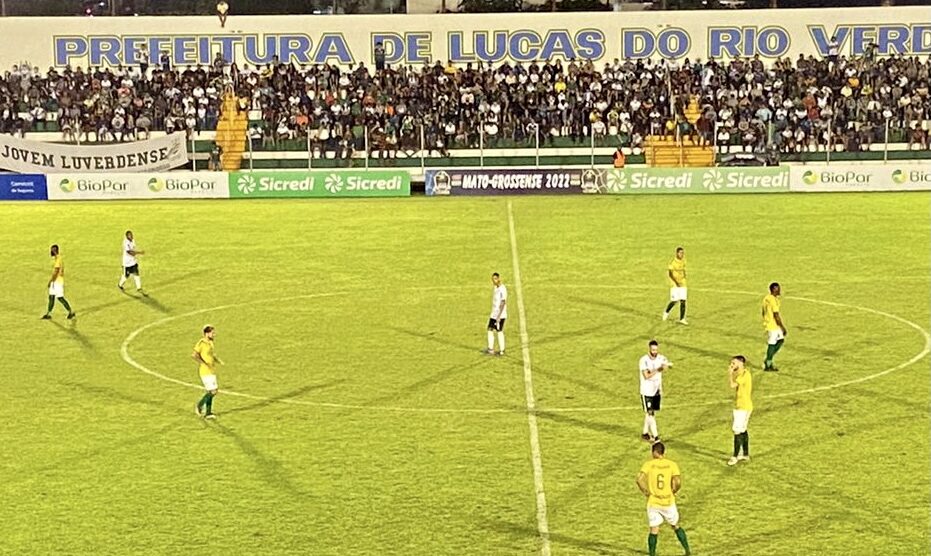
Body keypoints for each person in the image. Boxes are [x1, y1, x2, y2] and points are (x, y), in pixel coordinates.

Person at [636, 442, 691, 556]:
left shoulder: (649, 464)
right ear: (663, 452)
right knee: (675, 525)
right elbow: (678, 482)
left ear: (654, 452)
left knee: (654, 529)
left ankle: (652, 554)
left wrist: (645, 491)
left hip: (654, 502)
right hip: (668, 502)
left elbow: (639, 479)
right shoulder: (672, 465)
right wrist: (674, 490)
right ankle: (687, 550)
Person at [639, 340, 671, 443]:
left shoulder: (661, 358)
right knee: (650, 413)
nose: (655, 352)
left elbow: (667, 364)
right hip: (647, 391)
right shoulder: (643, 360)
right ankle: (656, 437)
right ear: (649, 349)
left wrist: (667, 366)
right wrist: (658, 369)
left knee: (650, 413)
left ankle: (645, 433)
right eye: (653, 350)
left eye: (656, 350)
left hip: (656, 390)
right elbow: (646, 375)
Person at [727, 355, 753, 466]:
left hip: (743, 407)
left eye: (734, 363)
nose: (732, 365)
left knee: (737, 431)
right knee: (742, 430)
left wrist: (730, 373)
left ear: (740, 363)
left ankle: (735, 456)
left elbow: (732, 385)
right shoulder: (743, 373)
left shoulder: (744, 375)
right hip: (743, 406)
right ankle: (745, 454)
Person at [193, 325, 222, 419]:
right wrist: (204, 363)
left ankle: (208, 413)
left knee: (211, 391)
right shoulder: (201, 343)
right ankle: (199, 405)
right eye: (212, 333)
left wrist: (217, 360)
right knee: (214, 391)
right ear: (207, 333)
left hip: (211, 370)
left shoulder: (210, 343)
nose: (214, 334)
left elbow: (211, 354)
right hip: (205, 371)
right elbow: (194, 355)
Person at [42, 244, 76, 320]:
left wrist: (51, 281)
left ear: (54, 251)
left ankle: (70, 312)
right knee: (51, 297)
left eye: (51, 250)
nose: (50, 252)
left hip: (57, 281)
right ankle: (48, 313)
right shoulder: (58, 258)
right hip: (56, 281)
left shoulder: (58, 260)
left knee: (60, 297)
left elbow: (56, 271)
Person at [762, 282, 787, 371]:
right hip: (773, 326)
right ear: (773, 290)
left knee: (780, 340)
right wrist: (782, 327)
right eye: (778, 289)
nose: (779, 290)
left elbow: (763, 311)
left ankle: (768, 358)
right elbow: (776, 315)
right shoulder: (773, 301)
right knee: (772, 344)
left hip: (770, 324)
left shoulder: (766, 298)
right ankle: (768, 363)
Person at [662, 247, 687, 325]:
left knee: (683, 301)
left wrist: (684, 277)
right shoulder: (673, 263)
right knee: (674, 301)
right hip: (675, 285)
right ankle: (666, 312)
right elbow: (670, 274)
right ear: (677, 253)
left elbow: (683, 270)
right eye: (680, 253)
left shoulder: (683, 261)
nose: (682, 254)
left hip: (683, 283)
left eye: (682, 253)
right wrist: (676, 282)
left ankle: (682, 319)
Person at [486, 272, 507, 355]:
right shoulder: (495, 288)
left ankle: (502, 350)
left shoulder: (502, 289)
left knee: (499, 330)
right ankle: (490, 349)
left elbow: (503, 302)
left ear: (498, 279)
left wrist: (499, 316)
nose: (493, 281)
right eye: (492, 279)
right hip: (494, 314)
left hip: (500, 315)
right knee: (490, 329)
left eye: (495, 279)